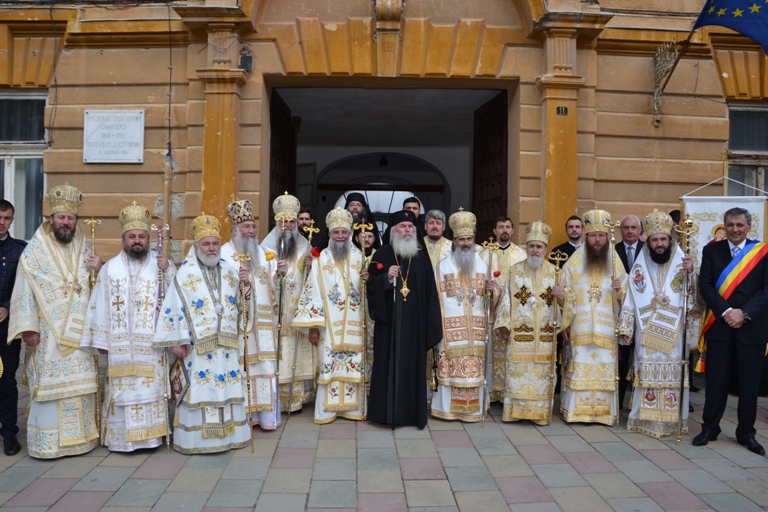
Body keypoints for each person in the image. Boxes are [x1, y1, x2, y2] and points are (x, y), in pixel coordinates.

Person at [9, 184, 102, 458]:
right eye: (61, 217)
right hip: (48, 333)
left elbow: (93, 286)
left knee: (80, 385)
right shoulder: (34, 251)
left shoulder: (84, 246)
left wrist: (99, 268)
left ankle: (82, 440)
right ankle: (48, 444)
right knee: (49, 387)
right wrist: (27, 327)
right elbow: (24, 288)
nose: (66, 222)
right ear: (51, 218)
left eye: (70, 218)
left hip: (78, 332)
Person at [154, 213, 252, 453]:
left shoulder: (230, 271)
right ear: (196, 247)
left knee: (228, 388)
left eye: (215, 243)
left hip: (227, 348)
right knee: (200, 389)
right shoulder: (185, 274)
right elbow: (174, 307)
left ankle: (231, 436)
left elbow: (243, 307)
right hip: (197, 349)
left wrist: (247, 285)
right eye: (206, 244)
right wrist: (179, 341)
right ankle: (195, 441)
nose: (211, 248)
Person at [81, 202, 175, 451]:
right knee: (122, 391)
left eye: (142, 236)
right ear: (123, 238)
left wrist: (168, 271)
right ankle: (121, 440)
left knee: (151, 387)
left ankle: (152, 437)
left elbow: (176, 296)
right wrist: (100, 341)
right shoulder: (110, 268)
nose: (137, 241)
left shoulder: (160, 264)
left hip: (151, 346)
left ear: (148, 239)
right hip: (120, 347)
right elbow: (98, 303)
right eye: (132, 236)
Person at [694, 207, 768, 455]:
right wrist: (727, 312)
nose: (735, 229)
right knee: (716, 382)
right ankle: (710, 428)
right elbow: (705, 286)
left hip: (752, 328)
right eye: (730, 225)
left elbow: (766, 290)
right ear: (724, 227)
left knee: (749, 385)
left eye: (739, 225)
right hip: (720, 326)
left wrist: (743, 313)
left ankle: (746, 433)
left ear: (749, 226)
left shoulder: (763, 252)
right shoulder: (711, 250)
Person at [618, 209, 694, 438]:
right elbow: (631, 296)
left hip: (674, 331)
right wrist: (626, 328)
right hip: (647, 329)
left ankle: (672, 422)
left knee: (674, 375)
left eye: (663, 239)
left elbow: (693, 298)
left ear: (669, 240)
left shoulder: (683, 263)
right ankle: (645, 419)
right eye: (654, 240)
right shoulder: (639, 267)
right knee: (647, 375)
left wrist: (692, 274)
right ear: (647, 241)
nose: (659, 244)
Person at [367, 210, 442, 428]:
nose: (408, 230)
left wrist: (430, 324)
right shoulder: (382, 253)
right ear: (393, 231)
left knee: (412, 368)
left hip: (415, 326)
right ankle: (385, 414)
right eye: (402, 226)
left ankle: (411, 415)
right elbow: (370, 285)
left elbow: (430, 292)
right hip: (389, 325)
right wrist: (385, 279)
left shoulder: (421, 254)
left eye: (410, 227)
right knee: (387, 365)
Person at [292, 208, 368, 423]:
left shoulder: (360, 257)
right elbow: (311, 292)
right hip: (327, 326)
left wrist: (368, 279)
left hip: (354, 324)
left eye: (344, 232)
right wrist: (313, 327)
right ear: (330, 235)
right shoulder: (319, 259)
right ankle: (328, 410)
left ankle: (353, 409)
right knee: (328, 365)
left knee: (354, 364)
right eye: (336, 233)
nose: (340, 236)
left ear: (350, 233)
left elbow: (367, 295)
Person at [559, 209, 627, 426]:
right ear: (585, 236)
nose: (597, 240)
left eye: (601, 235)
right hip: (580, 328)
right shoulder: (573, 262)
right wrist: (565, 316)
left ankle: (604, 414)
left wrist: (620, 290)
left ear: (607, 237)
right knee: (579, 368)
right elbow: (564, 292)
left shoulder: (615, 261)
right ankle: (576, 412)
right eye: (593, 235)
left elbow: (629, 295)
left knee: (606, 368)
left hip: (606, 330)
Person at [221, 200, 281, 430]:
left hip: (264, 325)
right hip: (239, 325)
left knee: (265, 368)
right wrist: (240, 282)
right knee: (241, 369)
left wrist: (282, 276)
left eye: (253, 226)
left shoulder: (265, 253)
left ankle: (265, 418)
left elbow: (276, 286)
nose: (251, 231)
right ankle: (243, 418)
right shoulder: (225, 254)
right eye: (246, 227)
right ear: (235, 230)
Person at [432, 208, 497, 422]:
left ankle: (474, 410)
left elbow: (492, 297)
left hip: (476, 329)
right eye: (461, 239)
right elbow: (435, 298)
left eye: (469, 239)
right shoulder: (442, 266)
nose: (466, 243)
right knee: (451, 370)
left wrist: (492, 290)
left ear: (474, 238)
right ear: (455, 240)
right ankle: (447, 410)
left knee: (475, 369)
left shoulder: (483, 264)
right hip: (450, 331)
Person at [495, 221, 563, 423]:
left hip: (544, 335)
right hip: (519, 334)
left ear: (546, 249)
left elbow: (568, 303)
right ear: (526, 247)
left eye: (539, 246)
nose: (535, 250)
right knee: (517, 372)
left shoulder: (556, 272)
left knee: (543, 374)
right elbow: (506, 297)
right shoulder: (515, 271)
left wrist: (563, 295)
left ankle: (540, 415)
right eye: (531, 246)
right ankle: (515, 413)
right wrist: (504, 324)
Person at [261, 193, 315, 413]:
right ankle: (275, 399)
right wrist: (275, 274)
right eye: (284, 221)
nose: (288, 225)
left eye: (291, 221)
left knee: (295, 352)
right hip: (275, 312)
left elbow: (312, 280)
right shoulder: (265, 247)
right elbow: (259, 275)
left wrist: (312, 267)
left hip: (297, 311)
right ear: (277, 221)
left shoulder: (305, 245)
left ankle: (297, 399)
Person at [480, 216, 527, 403]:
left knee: (511, 355)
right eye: (500, 227)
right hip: (489, 314)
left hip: (514, 315)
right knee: (490, 352)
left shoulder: (521, 255)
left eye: (508, 227)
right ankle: (491, 393)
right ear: (494, 231)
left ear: (513, 231)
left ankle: (509, 393)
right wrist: (487, 290)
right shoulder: (484, 255)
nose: (504, 230)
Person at [0, 200, 26, 455]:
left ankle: (8, 432)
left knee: (7, 379)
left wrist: (7, 305)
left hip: (6, 327)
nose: (2, 222)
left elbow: (25, 286)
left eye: (6, 218)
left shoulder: (20, 250)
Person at [548, 215, 584, 393]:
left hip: (585, 307)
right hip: (562, 306)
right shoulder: (557, 252)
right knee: (561, 347)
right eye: (571, 227)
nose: (574, 230)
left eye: (577, 227)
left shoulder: (591, 251)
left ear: (583, 230)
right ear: (566, 230)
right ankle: (559, 387)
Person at [615, 214, 644, 410]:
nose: (630, 231)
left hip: (643, 312)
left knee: (641, 357)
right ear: (621, 230)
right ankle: (618, 400)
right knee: (622, 359)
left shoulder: (649, 250)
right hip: (621, 312)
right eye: (626, 228)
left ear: (640, 230)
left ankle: (640, 402)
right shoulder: (613, 251)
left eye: (634, 227)